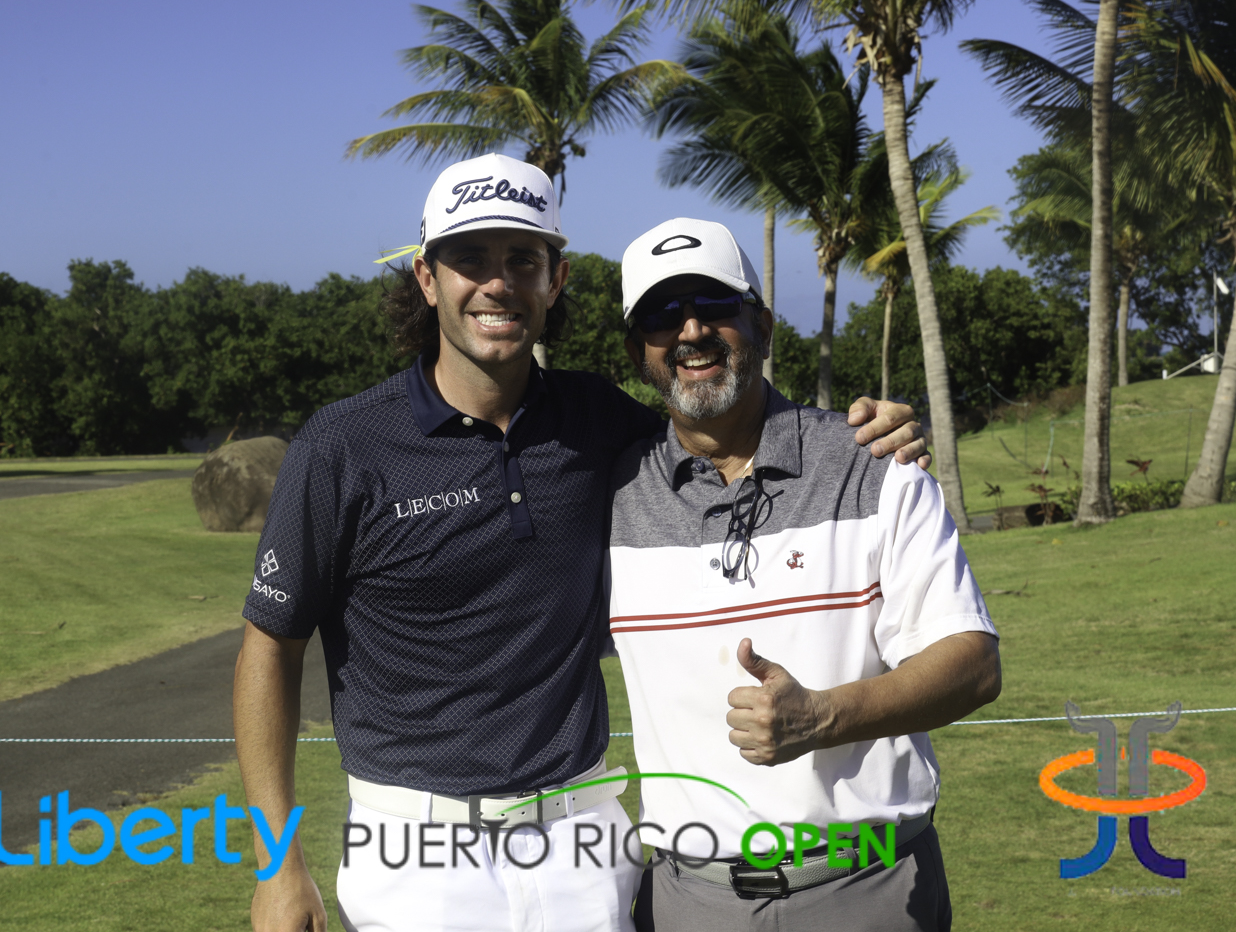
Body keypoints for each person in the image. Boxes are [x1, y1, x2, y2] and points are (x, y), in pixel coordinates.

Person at [233, 156, 928, 932]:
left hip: (582, 841)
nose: (498, 284)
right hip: (416, 849)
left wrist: (850, 436)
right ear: (428, 279)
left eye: (523, 261)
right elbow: (269, 648)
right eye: (470, 260)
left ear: (555, 280)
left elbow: (722, 424)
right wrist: (277, 863)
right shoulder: (342, 445)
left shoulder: (598, 419)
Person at [605, 218, 1002, 931]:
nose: (691, 330)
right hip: (686, 900)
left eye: (714, 304)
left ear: (762, 326)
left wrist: (821, 718)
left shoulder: (875, 465)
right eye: (662, 315)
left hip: (868, 886)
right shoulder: (607, 498)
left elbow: (972, 664)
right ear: (640, 352)